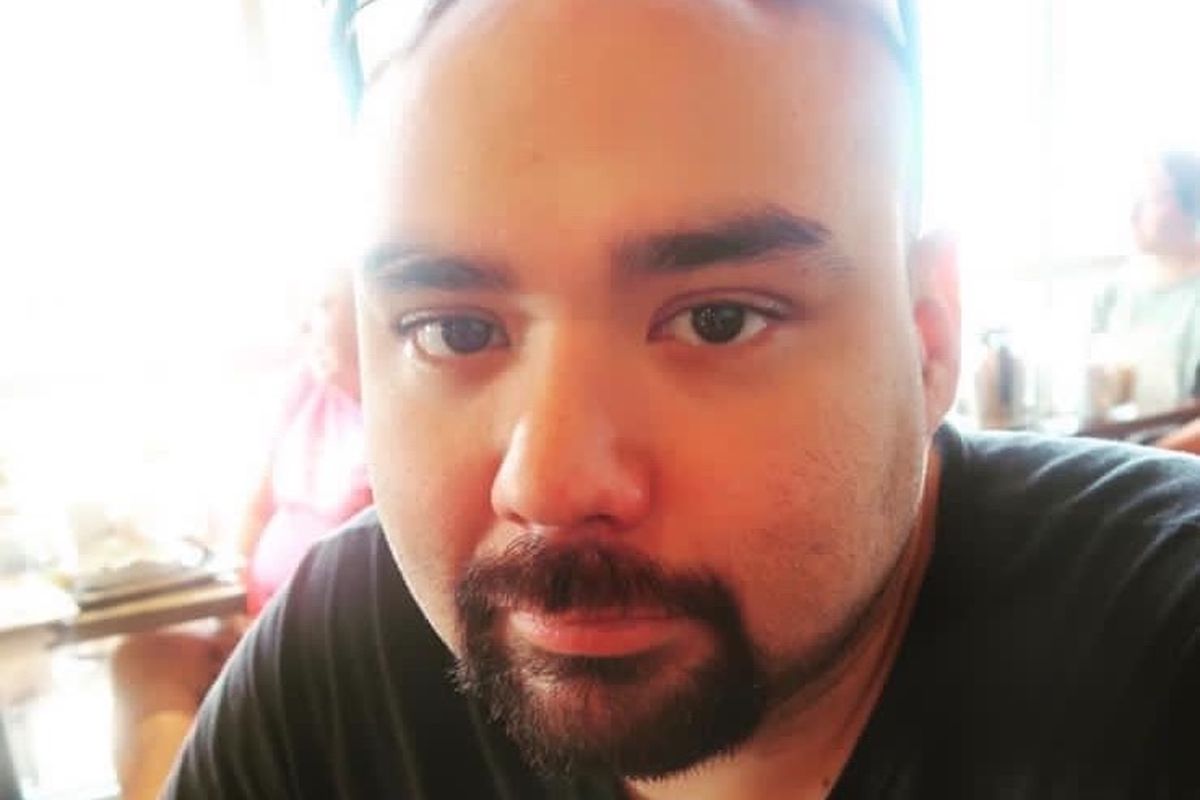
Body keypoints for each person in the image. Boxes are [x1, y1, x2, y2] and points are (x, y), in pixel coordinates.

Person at [167, 1, 1200, 797]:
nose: (552, 484)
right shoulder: (342, 661)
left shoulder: (1161, 665)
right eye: (455, 330)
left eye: (717, 319)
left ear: (927, 337)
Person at [111, 268, 370, 800]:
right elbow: (256, 506)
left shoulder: (397, 415)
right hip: (258, 622)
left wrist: (271, 634)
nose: (306, 326)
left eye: (324, 307)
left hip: (327, 642)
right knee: (144, 659)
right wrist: (231, 596)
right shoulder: (306, 388)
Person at [1090, 152, 1200, 419]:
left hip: (1175, 442)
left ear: (1191, 205)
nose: (1135, 213)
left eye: (1152, 198)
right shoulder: (1113, 292)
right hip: (1113, 438)